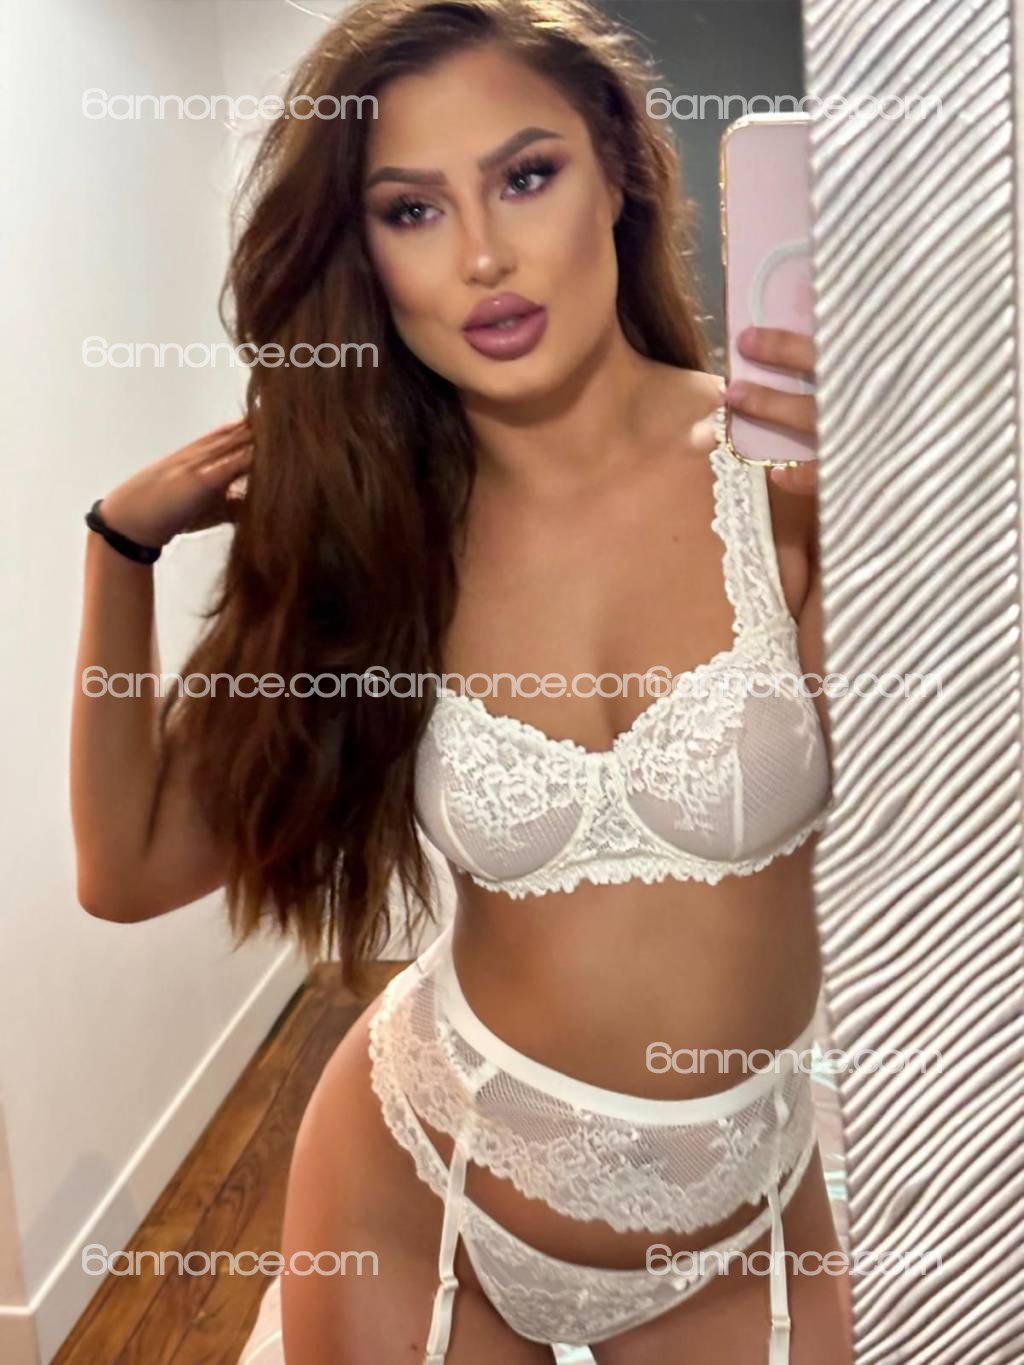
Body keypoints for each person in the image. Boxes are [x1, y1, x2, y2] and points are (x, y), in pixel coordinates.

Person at [71, 1, 850, 1360]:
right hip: (424, 1180)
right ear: (366, 250)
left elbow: (961, 823)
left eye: (526, 176)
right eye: (413, 210)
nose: (484, 255)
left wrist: (910, 514)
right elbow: (130, 871)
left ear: (618, 170)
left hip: (743, 1215)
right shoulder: (375, 536)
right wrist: (117, 552)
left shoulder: (788, 484)